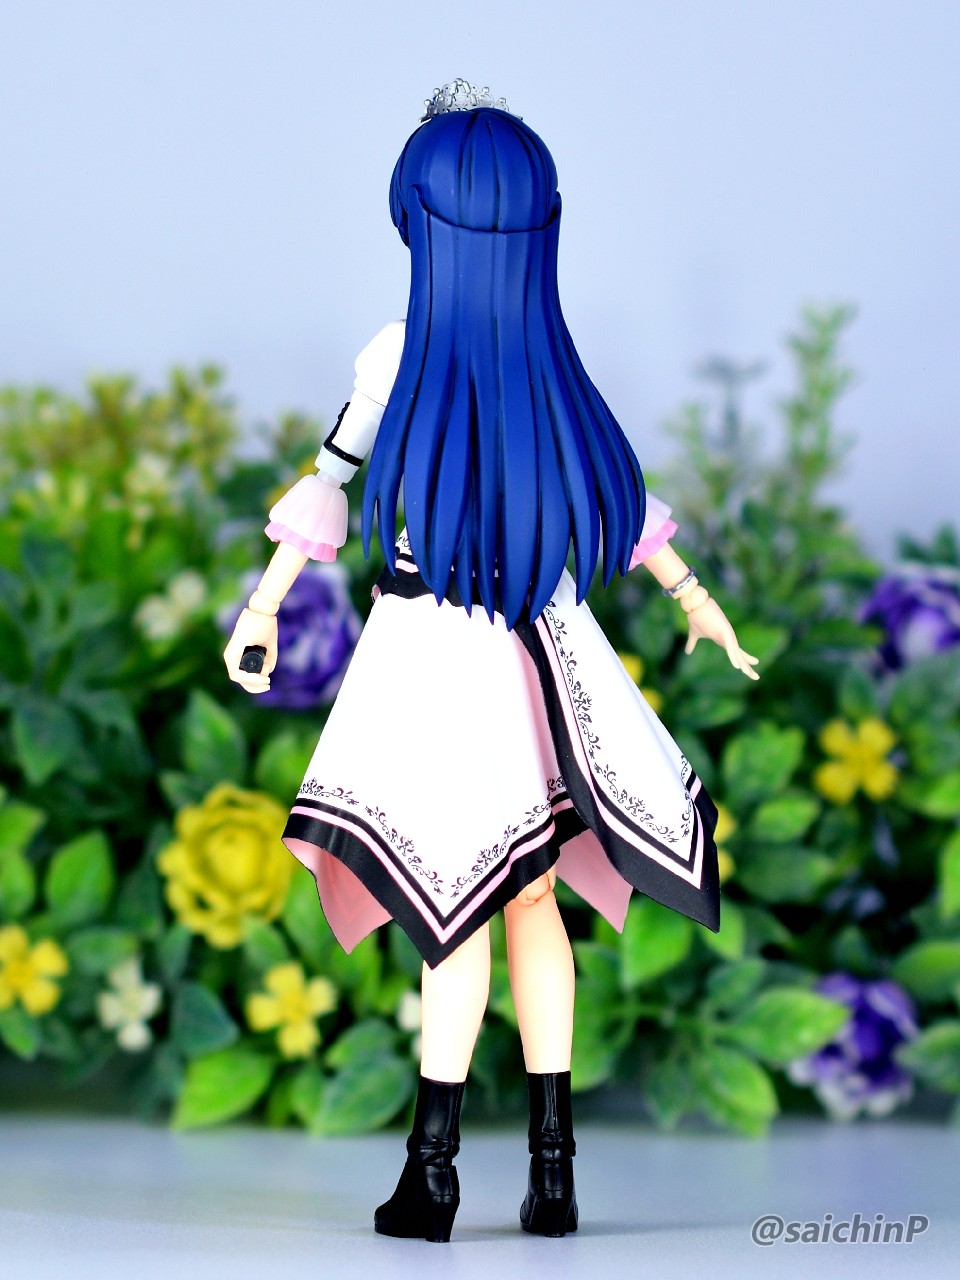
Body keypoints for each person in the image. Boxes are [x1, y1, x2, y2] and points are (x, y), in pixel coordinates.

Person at [224, 81, 760, 1244]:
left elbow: (335, 480)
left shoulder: (403, 349)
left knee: (457, 912)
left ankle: (436, 1175)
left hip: (443, 658)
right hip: (536, 653)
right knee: (530, 900)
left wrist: (263, 603)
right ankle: (549, 1176)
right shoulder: (539, 356)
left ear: (419, 220)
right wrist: (698, 602)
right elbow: (624, 504)